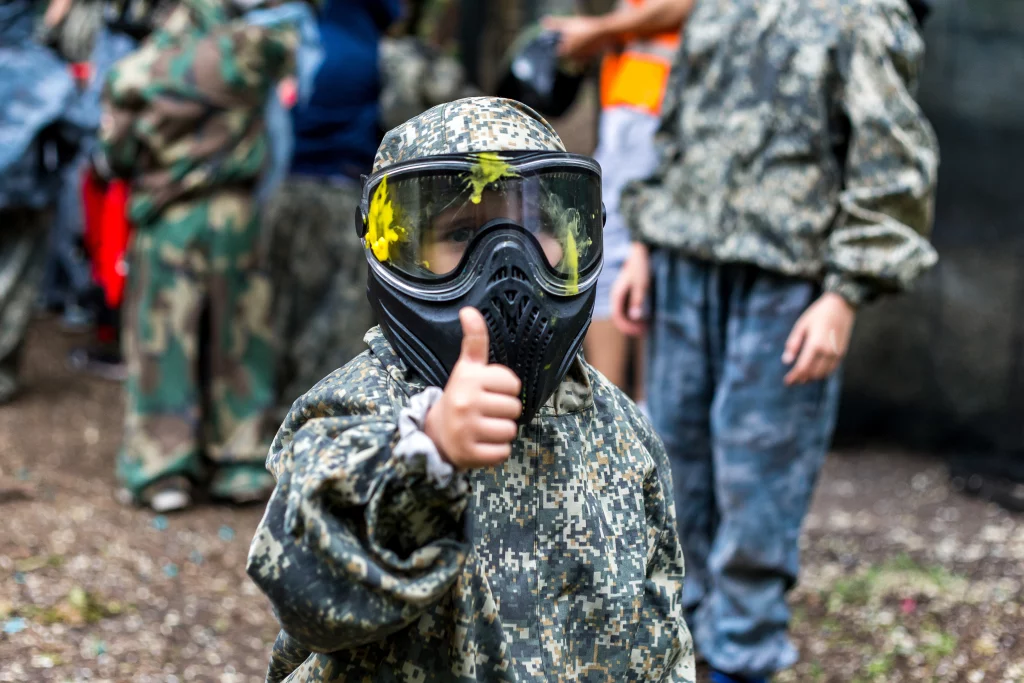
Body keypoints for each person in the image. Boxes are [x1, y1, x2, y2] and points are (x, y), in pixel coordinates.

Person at [247, 96, 695, 683]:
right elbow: (308, 596)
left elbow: (659, 630)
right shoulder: (357, 408)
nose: (508, 266)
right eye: (461, 234)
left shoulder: (619, 429)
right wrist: (425, 454)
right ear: (401, 248)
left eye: (536, 228)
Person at [606, 1, 939, 681]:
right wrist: (643, 242)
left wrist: (844, 294)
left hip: (784, 285)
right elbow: (678, 124)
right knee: (673, 468)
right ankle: (681, 647)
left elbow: (893, 160)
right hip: (682, 263)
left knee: (757, 482)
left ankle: (740, 657)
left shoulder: (863, 14)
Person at [98, 0, 315, 512]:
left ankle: (161, 469)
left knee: (162, 342)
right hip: (236, 215)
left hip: (167, 219)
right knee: (240, 338)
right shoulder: (251, 49)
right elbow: (295, 43)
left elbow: (116, 156)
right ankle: (239, 463)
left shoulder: (135, 70)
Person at [544, 0, 692, 407]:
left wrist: (598, 31)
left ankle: (617, 415)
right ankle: (635, 411)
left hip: (654, 108)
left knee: (608, 251)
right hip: (638, 106)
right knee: (633, 256)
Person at [263, 0, 399, 423]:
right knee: (332, 329)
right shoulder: (376, 52)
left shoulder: (293, 38)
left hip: (279, 192)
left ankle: (257, 437)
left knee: (271, 316)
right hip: (344, 197)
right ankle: (317, 430)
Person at [0, 0, 85, 403]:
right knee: (13, 281)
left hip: (24, 191)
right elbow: (79, 126)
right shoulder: (42, 68)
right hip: (26, 193)